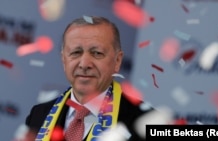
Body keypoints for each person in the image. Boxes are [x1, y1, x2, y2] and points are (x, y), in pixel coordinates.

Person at [25, 15, 153, 141]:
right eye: (76, 52)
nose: (84, 64)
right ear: (64, 59)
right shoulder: (38, 114)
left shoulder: (147, 122)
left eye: (97, 53)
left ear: (117, 61)